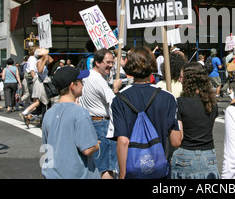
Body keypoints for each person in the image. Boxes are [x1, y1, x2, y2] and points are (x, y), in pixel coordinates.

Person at [108, 46, 181, 179]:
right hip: (160, 167)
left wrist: (123, 175)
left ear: (129, 67)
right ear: (152, 66)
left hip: (131, 168)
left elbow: (123, 141)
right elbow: (176, 141)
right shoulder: (168, 97)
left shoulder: (119, 99)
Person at [42, 66, 100, 179]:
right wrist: (96, 145)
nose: (83, 85)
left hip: (52, 174)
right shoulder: (80, 112)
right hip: (77, 174)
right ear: (72, 85)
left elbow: (46, 147)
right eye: (81, 82)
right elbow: (88, 149)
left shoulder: (49, 113)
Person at [170, 62, 220, 179]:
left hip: (185, 154)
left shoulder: (179, 103)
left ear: (189, 80)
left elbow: (177, 139)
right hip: (209, 155)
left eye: (182, 77)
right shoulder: (212, 104)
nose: (179, 80)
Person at [79, 48, 122, 179]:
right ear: (97, 62)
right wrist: (115, 89)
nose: (111, 65)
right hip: (102, 124)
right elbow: (114, 102)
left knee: (95, 164)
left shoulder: (86, 75)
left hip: (91, 122)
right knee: (107, 167)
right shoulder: (97, 79)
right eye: (108, 62)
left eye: (112, 63)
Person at [19, 47, 53, 127]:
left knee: (41, 104)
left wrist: (46, 55)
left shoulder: (40, 60)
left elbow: (51, 60)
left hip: (43, 83)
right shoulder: (38, 61)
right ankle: (43, 122)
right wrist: (44, 60)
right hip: (40, 83)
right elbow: (39, 70)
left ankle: (29, 116)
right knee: (45, 103)